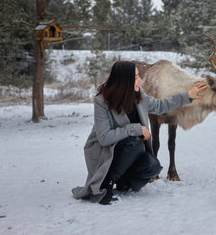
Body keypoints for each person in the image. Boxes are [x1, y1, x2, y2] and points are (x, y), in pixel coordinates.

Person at [72, 61, 208, 205]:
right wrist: (136, 129)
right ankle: (106, 183)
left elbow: (161, 105)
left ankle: (124, 182)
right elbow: (105, 138)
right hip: (108, 153)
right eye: (136, 77)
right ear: (125, 81)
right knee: (134, 143)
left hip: (131, 151)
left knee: (153, 167)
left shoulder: (138, 96)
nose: (140, 80)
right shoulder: (102, 101)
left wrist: (187, 95)